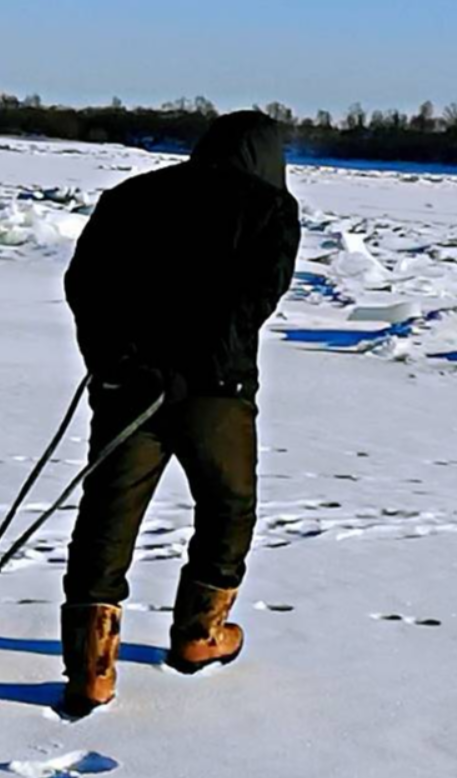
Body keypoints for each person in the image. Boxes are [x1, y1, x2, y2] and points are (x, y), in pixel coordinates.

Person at [60, 110, 301, 717]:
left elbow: (84, 282)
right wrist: (202, 357)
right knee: (227, 506)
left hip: (129, 387)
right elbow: (257, 298)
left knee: (108, 516)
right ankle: (200, 636)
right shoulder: (270, 207)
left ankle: (93, 672)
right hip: (214, 391)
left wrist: (113, 359)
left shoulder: (130, 196)